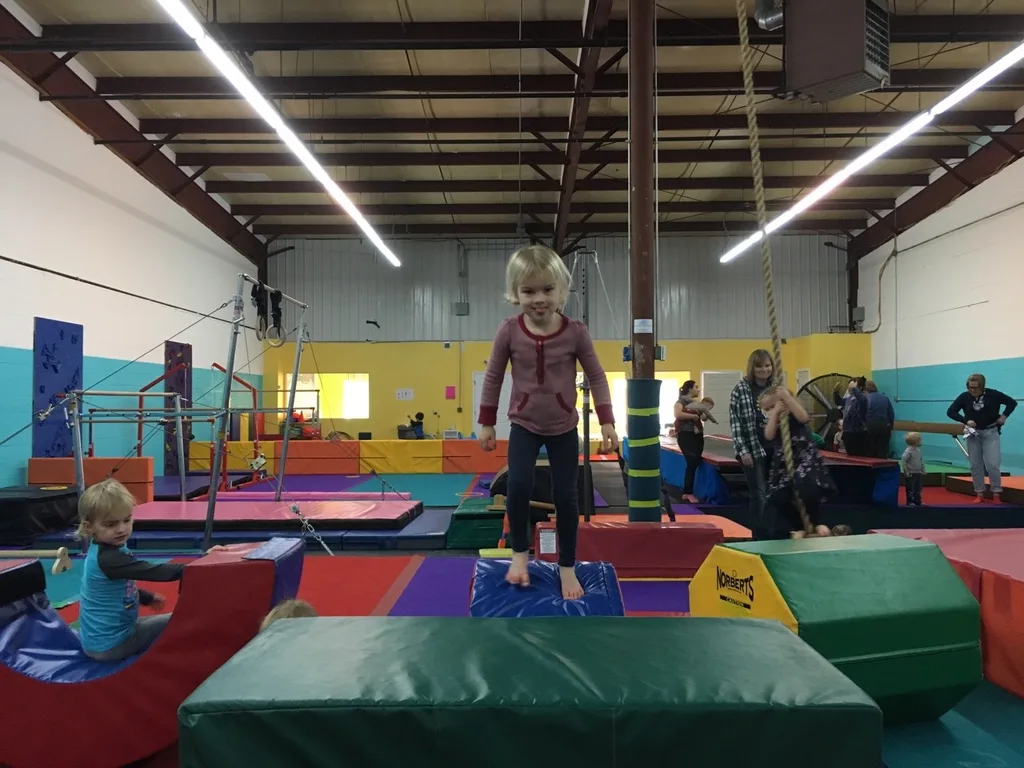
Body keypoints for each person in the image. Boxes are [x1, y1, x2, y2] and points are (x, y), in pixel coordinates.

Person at [478, 244, 619, 600]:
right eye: (528, 291)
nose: (539, 299)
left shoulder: (575, 332)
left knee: (567, 496)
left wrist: (606, 420)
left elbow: (597, 375)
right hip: (524, 423)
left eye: (547, 289)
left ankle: (567, 566)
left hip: (563, 426)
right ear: (515, 293)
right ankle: (519, 554)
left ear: (562, 290)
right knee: (518, 485)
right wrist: (487, 422)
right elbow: (493, 376)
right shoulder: (509, 330)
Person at [76, 478, 184, 661]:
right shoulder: (108, 559)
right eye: (110, 525)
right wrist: (196, 567)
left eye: (126, 520)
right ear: (89, 527)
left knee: (168, 620)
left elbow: (115, 588)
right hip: (111, 646)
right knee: (180, 622)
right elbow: (152, 571)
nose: (121, 529)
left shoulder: (106, 548)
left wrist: (146, 597)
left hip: (103, 640)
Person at [760, 386, 835, 539]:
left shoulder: (794, 415)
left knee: (809, 491)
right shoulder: (774, 422)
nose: (770, 411)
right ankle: (799, 526)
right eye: (767, 409)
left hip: (804, 460)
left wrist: (787, 399)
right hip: (784, 465)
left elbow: (804, 417)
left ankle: (817, 522)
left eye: (773, 406)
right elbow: (768, 435)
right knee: (777, 497)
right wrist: (775, 412)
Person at [946, 373, 1016, 503]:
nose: (972, 390)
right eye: (970, 387)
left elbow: (1012, 403)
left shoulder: (993, 394)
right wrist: (966, 420)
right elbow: (951, 411)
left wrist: (1004, 416)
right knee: (975, 464)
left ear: (982, 386)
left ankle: (996, 492)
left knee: (992, 464)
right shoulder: (965, 396)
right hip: (973, 434)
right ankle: (979, 492)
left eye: (975, 388)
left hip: (991, 432)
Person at [729, 349, 776, 539]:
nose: (764, 370)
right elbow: (735, 422)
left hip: (774, 448)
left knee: (774, 494)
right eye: (759, 366)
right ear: (752, 368)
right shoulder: (741, 390)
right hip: (753, 449)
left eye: (767, 365)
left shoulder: (776, 389)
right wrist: (743, 450)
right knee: (759, 495)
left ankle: (772, 533)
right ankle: (759, 536)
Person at [673, 380, 705, 497]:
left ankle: (690, 490)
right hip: (685, 434)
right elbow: (678, 414)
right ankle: (688, 492)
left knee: (696, 460)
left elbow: (703, 418)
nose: (698, 389)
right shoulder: (680, 402)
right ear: (690, 389)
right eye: (696, 387)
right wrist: (693, 416)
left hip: (697, 434)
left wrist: (706, 411)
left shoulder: (697, 404)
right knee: (691, 460)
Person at [836, 378, 869, 456]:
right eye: (849, 387)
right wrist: (835, 393)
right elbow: (839, 402)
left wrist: (854, 389)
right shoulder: (849, 398)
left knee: (859, 456)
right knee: (850, 455)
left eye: (852, 386)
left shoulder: (863, 398)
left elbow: (862, 400)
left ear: (860, 387)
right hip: (847, 431)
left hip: (858, 433)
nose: (849, 388)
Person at [864, 381, 895, 459]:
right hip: (884, 425)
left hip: (870, 425)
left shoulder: (866, 398)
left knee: (870, 451)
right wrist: (890, 426)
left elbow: (862, 413)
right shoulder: (885, 398)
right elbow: (891, 414)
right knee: (883, 451)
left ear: (865, 389)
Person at [902, 431, 925, 506]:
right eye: (920, 440)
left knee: (918, 488)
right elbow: (904, 461)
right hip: (911, 473)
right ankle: (910, 501)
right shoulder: (908, 451)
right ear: (916, 442)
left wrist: (923, 469)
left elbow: (921, 461)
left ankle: (917, 501)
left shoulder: (918, 451)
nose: (922, 441)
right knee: (910, 488)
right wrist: (906, 471)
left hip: (918, 472)